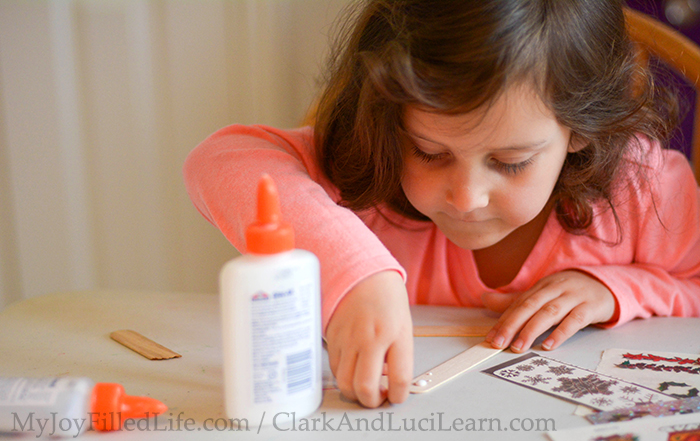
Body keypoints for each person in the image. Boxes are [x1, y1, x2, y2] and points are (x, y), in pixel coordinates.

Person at [184, 0, 700, 409]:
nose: (465, 198)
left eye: (511, 161)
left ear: (580, 129)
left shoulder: (642, 190)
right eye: (429, 152)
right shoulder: (369, 171)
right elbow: (218, 160)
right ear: (390, 124)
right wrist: (356, 273)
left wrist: (618, 291)